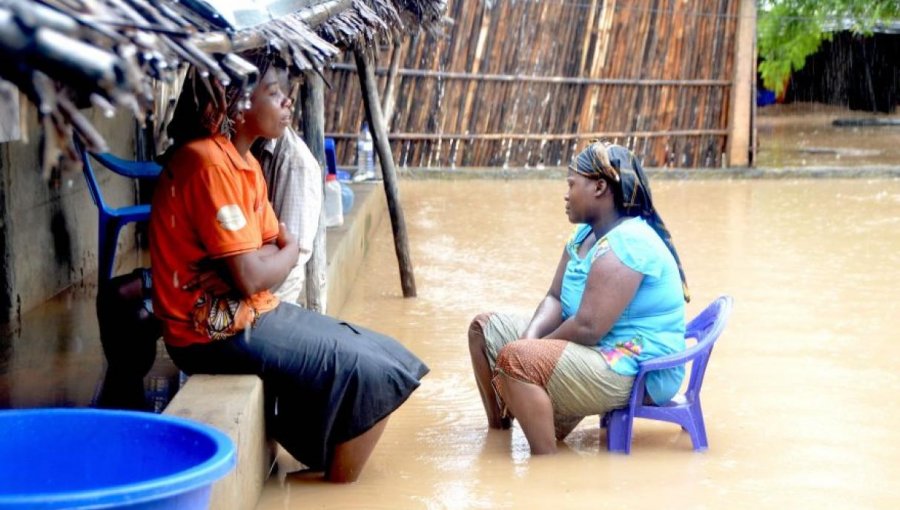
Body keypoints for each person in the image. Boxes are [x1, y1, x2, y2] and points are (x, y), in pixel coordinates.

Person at [149, 56, 428, 482]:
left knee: (388, 353)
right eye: (276, 94)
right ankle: (335, 487)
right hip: (211, 332)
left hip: (253, 309)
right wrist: (288, 248)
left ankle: (317, 460)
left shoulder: (244, 164)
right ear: (236, 101)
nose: (287, 103)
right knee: (370, 371)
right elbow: (253, 271)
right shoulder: (207, 163)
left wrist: (267, 260)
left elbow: (261, 262)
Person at [467, 141, 690, 454]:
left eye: (572, 184)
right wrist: (530, 337)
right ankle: (501, 432)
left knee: (516, 359)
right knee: (483, 329)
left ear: (599, 187)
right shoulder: (585, 235)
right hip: (593, 351)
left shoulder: (628, 243)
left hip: (637, 366)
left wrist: (531, 351)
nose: (566, 193)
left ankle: (546, 465)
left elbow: (588, 328)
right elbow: (555, 298)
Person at [253, 124, 322, 305]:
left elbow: (291, 251)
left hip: (275, 290)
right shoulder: (251, 149)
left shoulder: (295, 163)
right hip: (252, 276)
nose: (286, 103)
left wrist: (237, 267)